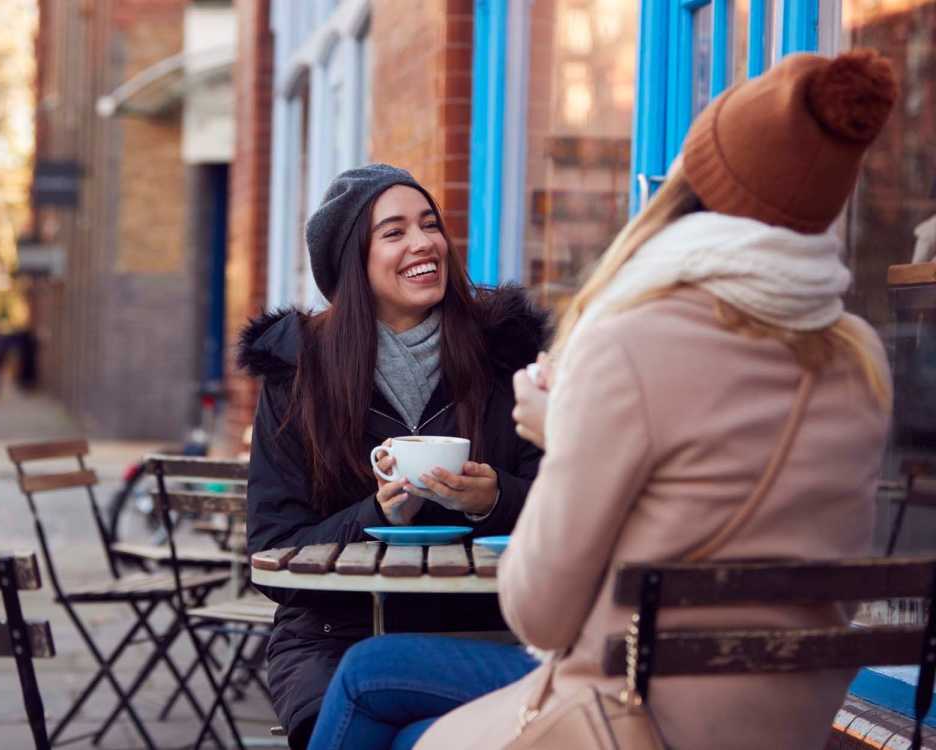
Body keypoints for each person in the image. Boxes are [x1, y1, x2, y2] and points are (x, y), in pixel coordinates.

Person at [308, 50, 898, 750]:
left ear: (691, 188)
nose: (423, 242)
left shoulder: (634, 340)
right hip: (790, 720)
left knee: (381, 699)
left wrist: (568, 437)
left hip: (636, 718)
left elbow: (540, 616)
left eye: (426, 223)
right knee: (383, 690)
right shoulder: (859, 356)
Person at [239, 164, 547, 750]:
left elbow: (567, 501)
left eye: (430, 225)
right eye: (395, 232)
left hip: (485, 627)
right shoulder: (297, 372)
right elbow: (271, 548)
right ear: (353, 262)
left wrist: (495, 498)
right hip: (335, 633)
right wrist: (377, 516)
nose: (423, 242)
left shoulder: (504, 353)